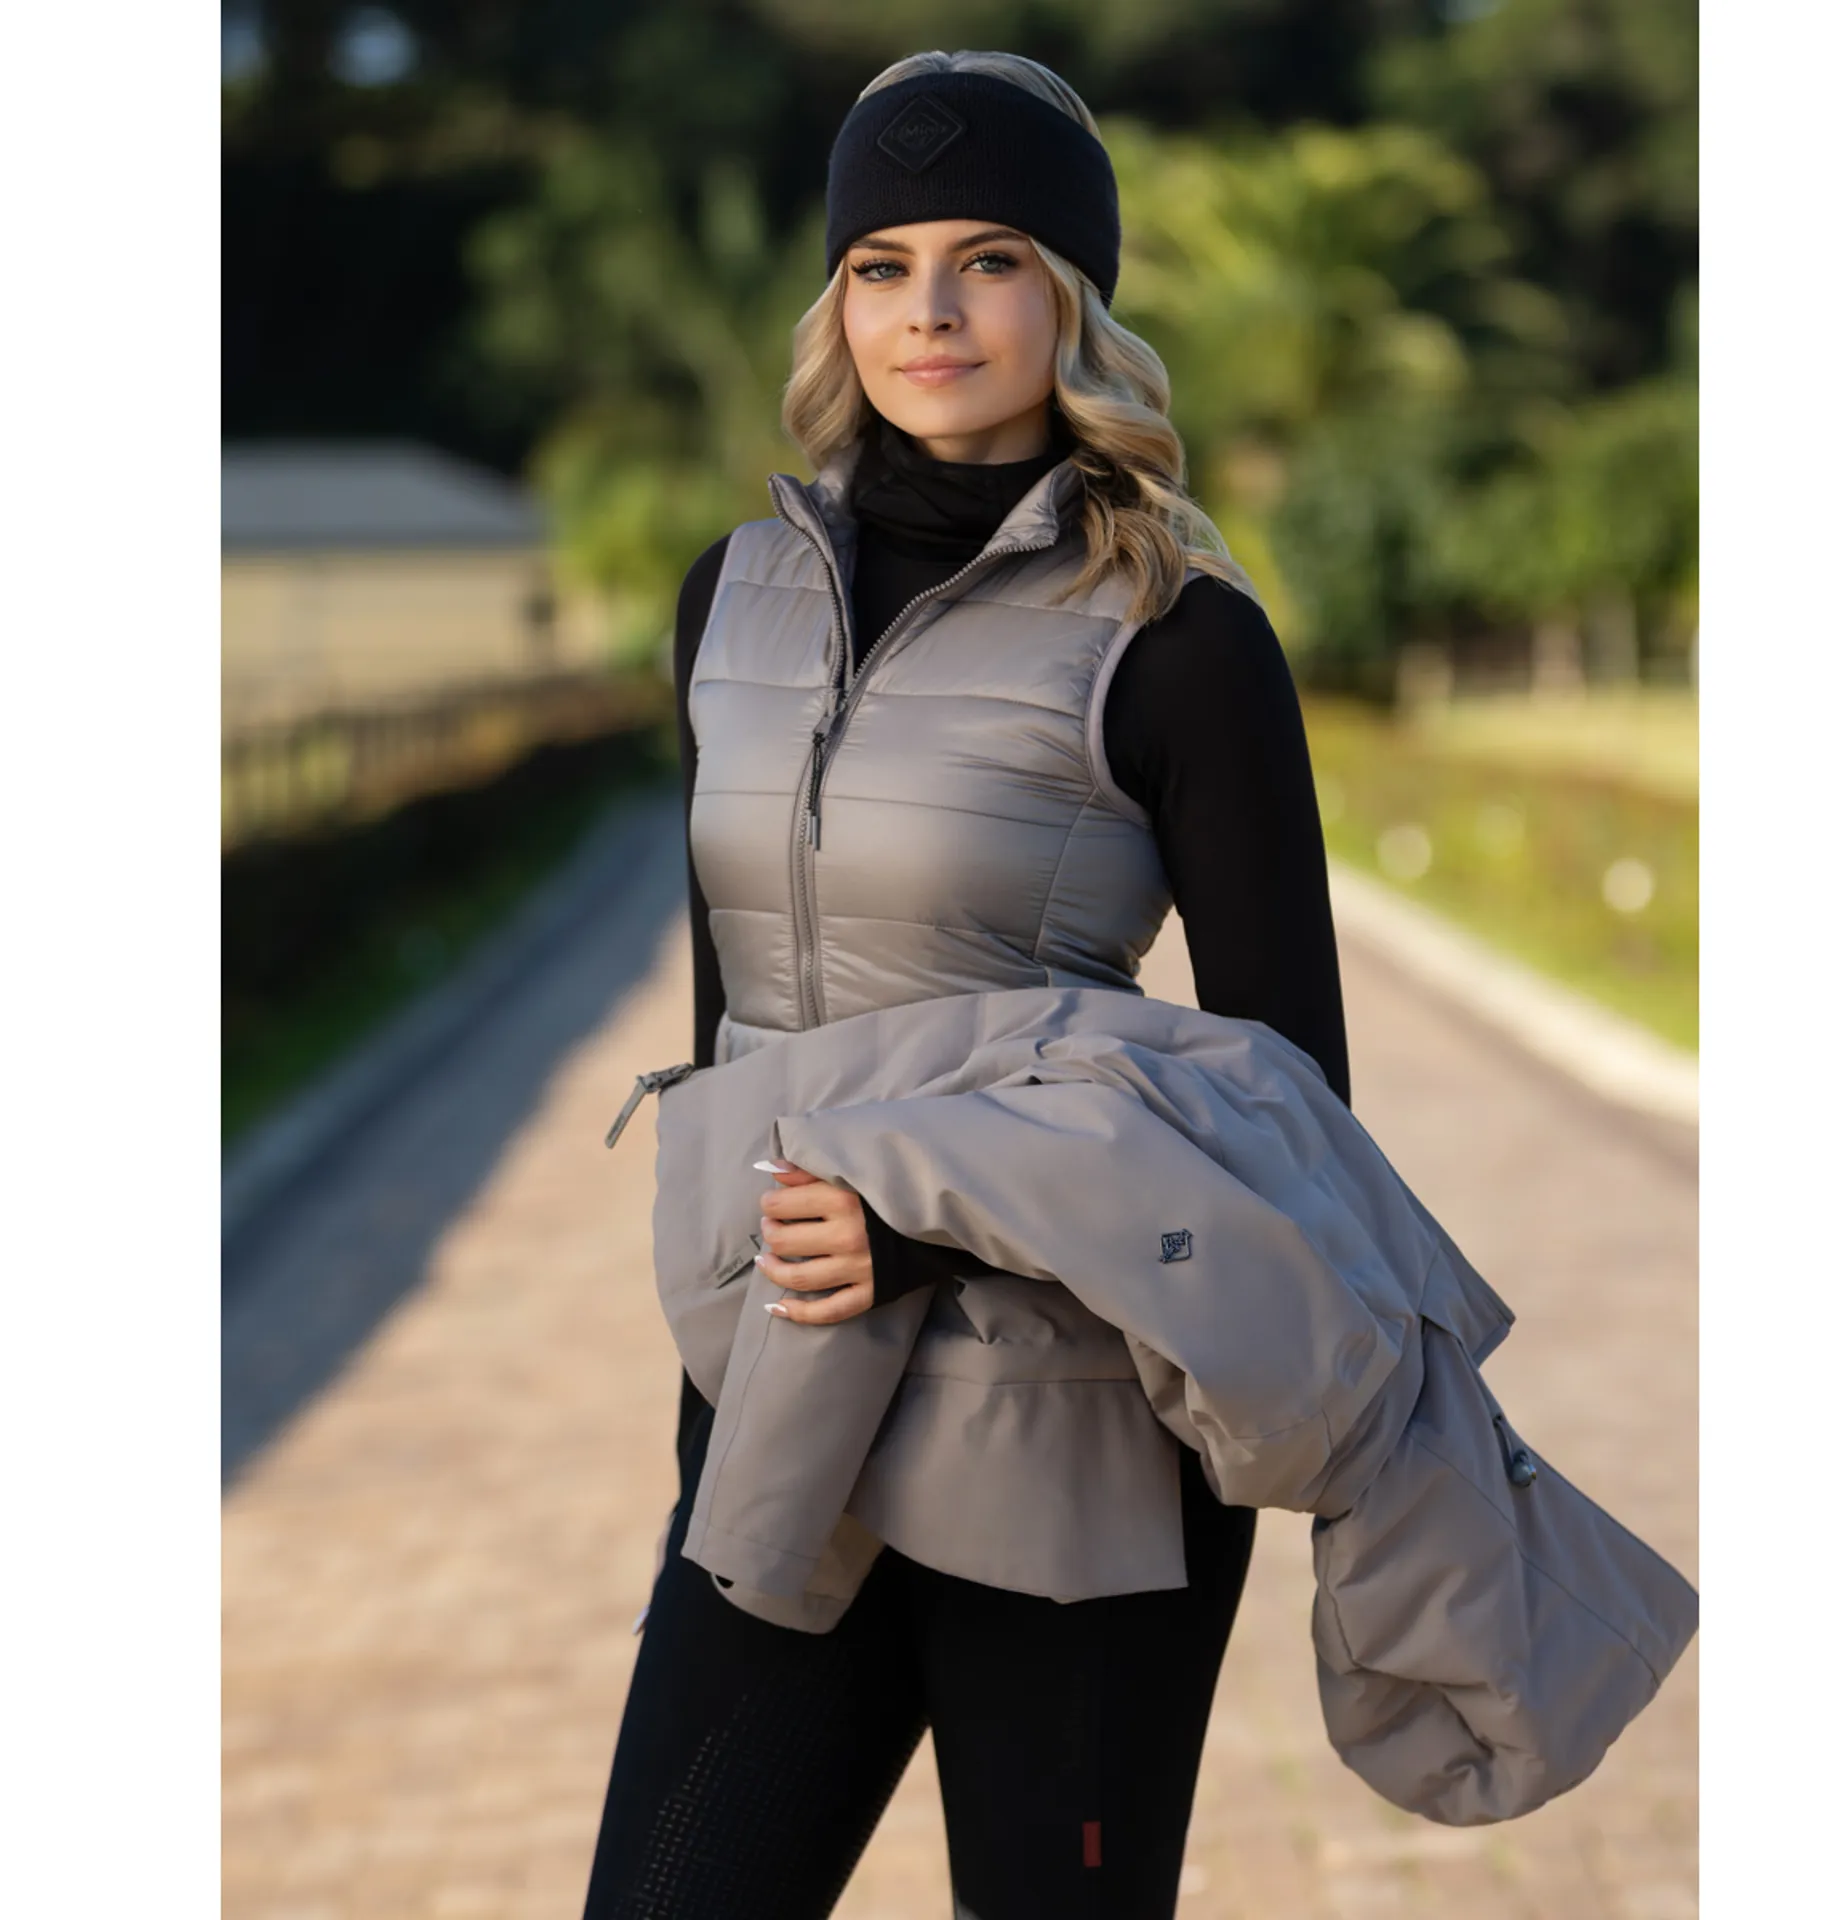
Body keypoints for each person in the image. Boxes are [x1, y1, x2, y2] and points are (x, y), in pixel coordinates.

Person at [581, 49, 1350, 1920]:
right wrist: (721, 1344)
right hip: (788, 1402)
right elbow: (727, 1030)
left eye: (989, 257)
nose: (928, 309)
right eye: (882, 265)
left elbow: (1291, 1104)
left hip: (1076, 1439)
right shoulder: (730, 599)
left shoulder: (1181, 635)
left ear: (1071, 296)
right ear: (837, 302)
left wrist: (925, 1222)